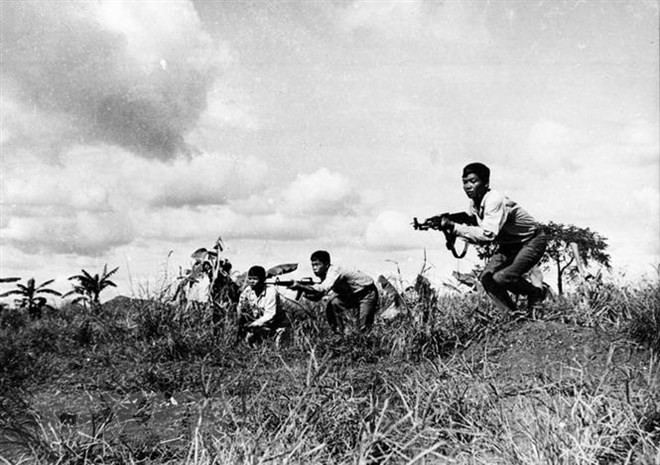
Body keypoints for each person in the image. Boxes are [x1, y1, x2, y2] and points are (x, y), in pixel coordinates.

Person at [440, 162, 549, 314]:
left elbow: (487, 235)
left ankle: (535, 293)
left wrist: (454, 227)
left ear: (486, 183)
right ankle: (512, 315)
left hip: (531, 240)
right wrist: (449, 224)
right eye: (465, 182)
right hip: (510, 245)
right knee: (487, 278)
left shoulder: (494, 200)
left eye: (473, 181)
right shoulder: (474, 203)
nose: (468, 186)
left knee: (503, 277)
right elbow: (473, 223)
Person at [292, 250, 379, 334]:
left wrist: (300, 286)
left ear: (326, 264)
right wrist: (305, 291)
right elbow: (319, 296)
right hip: (352, 295)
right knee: (333, 304)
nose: (314, 268)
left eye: (317, 265)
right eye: (313, 265)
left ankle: (366, 344)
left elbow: (322, 288)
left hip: (366, 293)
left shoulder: (334, 271)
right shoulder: (324, 275)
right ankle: (339, 334)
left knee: (364, 327)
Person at [237, 265, 289, 345]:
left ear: (263, 280)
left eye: (255, 279)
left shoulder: (271, 292)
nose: (251, 281)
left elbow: (270, 314)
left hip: (278, 325)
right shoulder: (248, 291)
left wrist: (253, 325)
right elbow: (240, 305)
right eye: (250, 278)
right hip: (263, 326)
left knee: (278, 350)